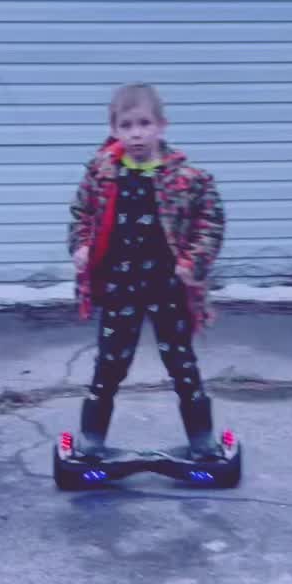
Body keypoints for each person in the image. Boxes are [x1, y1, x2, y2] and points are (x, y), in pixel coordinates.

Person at [68, 83, 225, 454]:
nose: (136, 134)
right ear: (114, 129)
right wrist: (81, 245)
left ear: (161, 126)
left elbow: (211, 221)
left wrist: (194, 261)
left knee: (181, 363)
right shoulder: (101, 173)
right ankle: (92, 440)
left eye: (144, 124)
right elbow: (81, 213)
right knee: (109, 363)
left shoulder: (187, 178)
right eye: (126, 125)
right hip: (119, 286)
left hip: (168, 286)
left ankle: (201, 439)